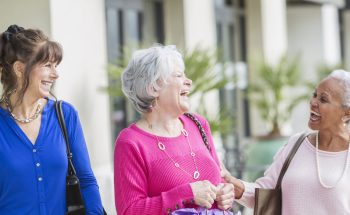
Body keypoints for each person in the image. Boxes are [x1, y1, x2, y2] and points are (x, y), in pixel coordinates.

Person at [114, 45, 236, 215]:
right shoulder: (131, 142)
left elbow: (219, 180)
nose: (189, 81)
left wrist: (226, 193)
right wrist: (187, 194)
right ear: (153, 87)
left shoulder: (198, 124)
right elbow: (130, 210)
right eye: (179, 75)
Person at [0, 25, 104, 214]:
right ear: (19, 69)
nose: (55, 74)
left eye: (55, 66)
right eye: (47, 65)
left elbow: (87, 181)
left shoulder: (65, 115)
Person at [222, 69, 350, 214]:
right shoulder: (297, 144)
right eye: (314, 95)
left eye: (323, 99)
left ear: (346, 113)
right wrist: (233, 184)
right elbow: (265, 193)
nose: (313, 102)